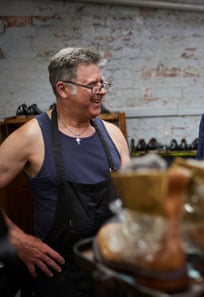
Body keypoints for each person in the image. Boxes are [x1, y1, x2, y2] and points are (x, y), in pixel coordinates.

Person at [0, 47, 130, 297]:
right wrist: (16, 239)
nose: (101, 91)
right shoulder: (31, 136)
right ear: (63, 89)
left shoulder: (113, 134)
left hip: (110, 267)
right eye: (92, 85)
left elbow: (132, 197)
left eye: (103, 84)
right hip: (59, 272)